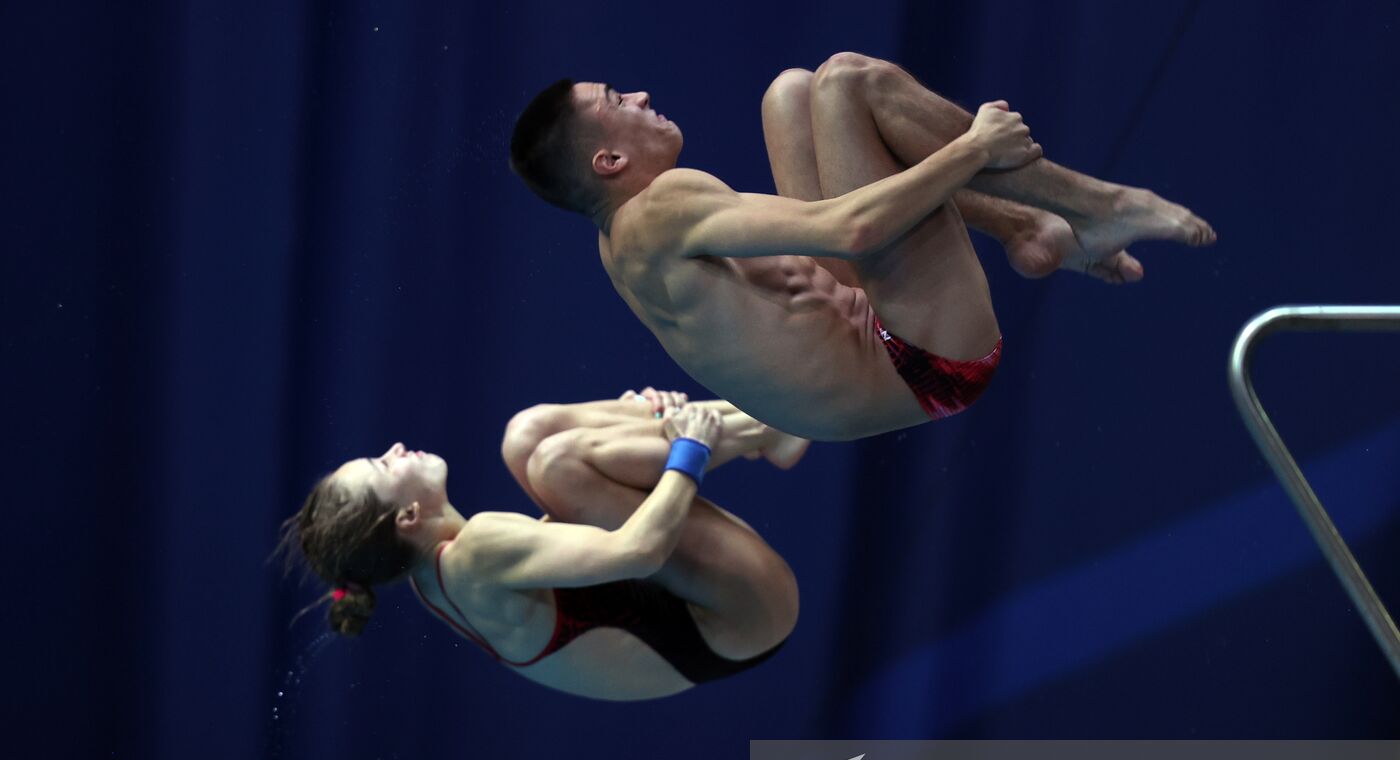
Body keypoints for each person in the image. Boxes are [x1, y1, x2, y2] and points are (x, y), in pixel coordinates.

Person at [509, 53, 1216, 441]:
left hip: (871, 340)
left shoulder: (622, 239)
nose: (638, 92)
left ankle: (1025, 229)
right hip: (923, 362)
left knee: (790, 92)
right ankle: (1099, 207)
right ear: (607, 162)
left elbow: (823, 236)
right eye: (616, 99)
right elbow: (852, 230)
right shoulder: (661, 207)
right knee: (852, 81)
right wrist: (973, 148)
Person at [280, 392, 806, 701]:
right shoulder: (477, 549)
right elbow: (640, 550)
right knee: (558, 464)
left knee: (527, 437)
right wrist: (690, 448)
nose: (394, 449)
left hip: (686, 607)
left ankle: (756, 422)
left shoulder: (434, 575)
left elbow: (574, 556)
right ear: (410, 516)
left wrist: (635, 426)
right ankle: (784, 415)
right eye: (384, 465)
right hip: (737, 618)